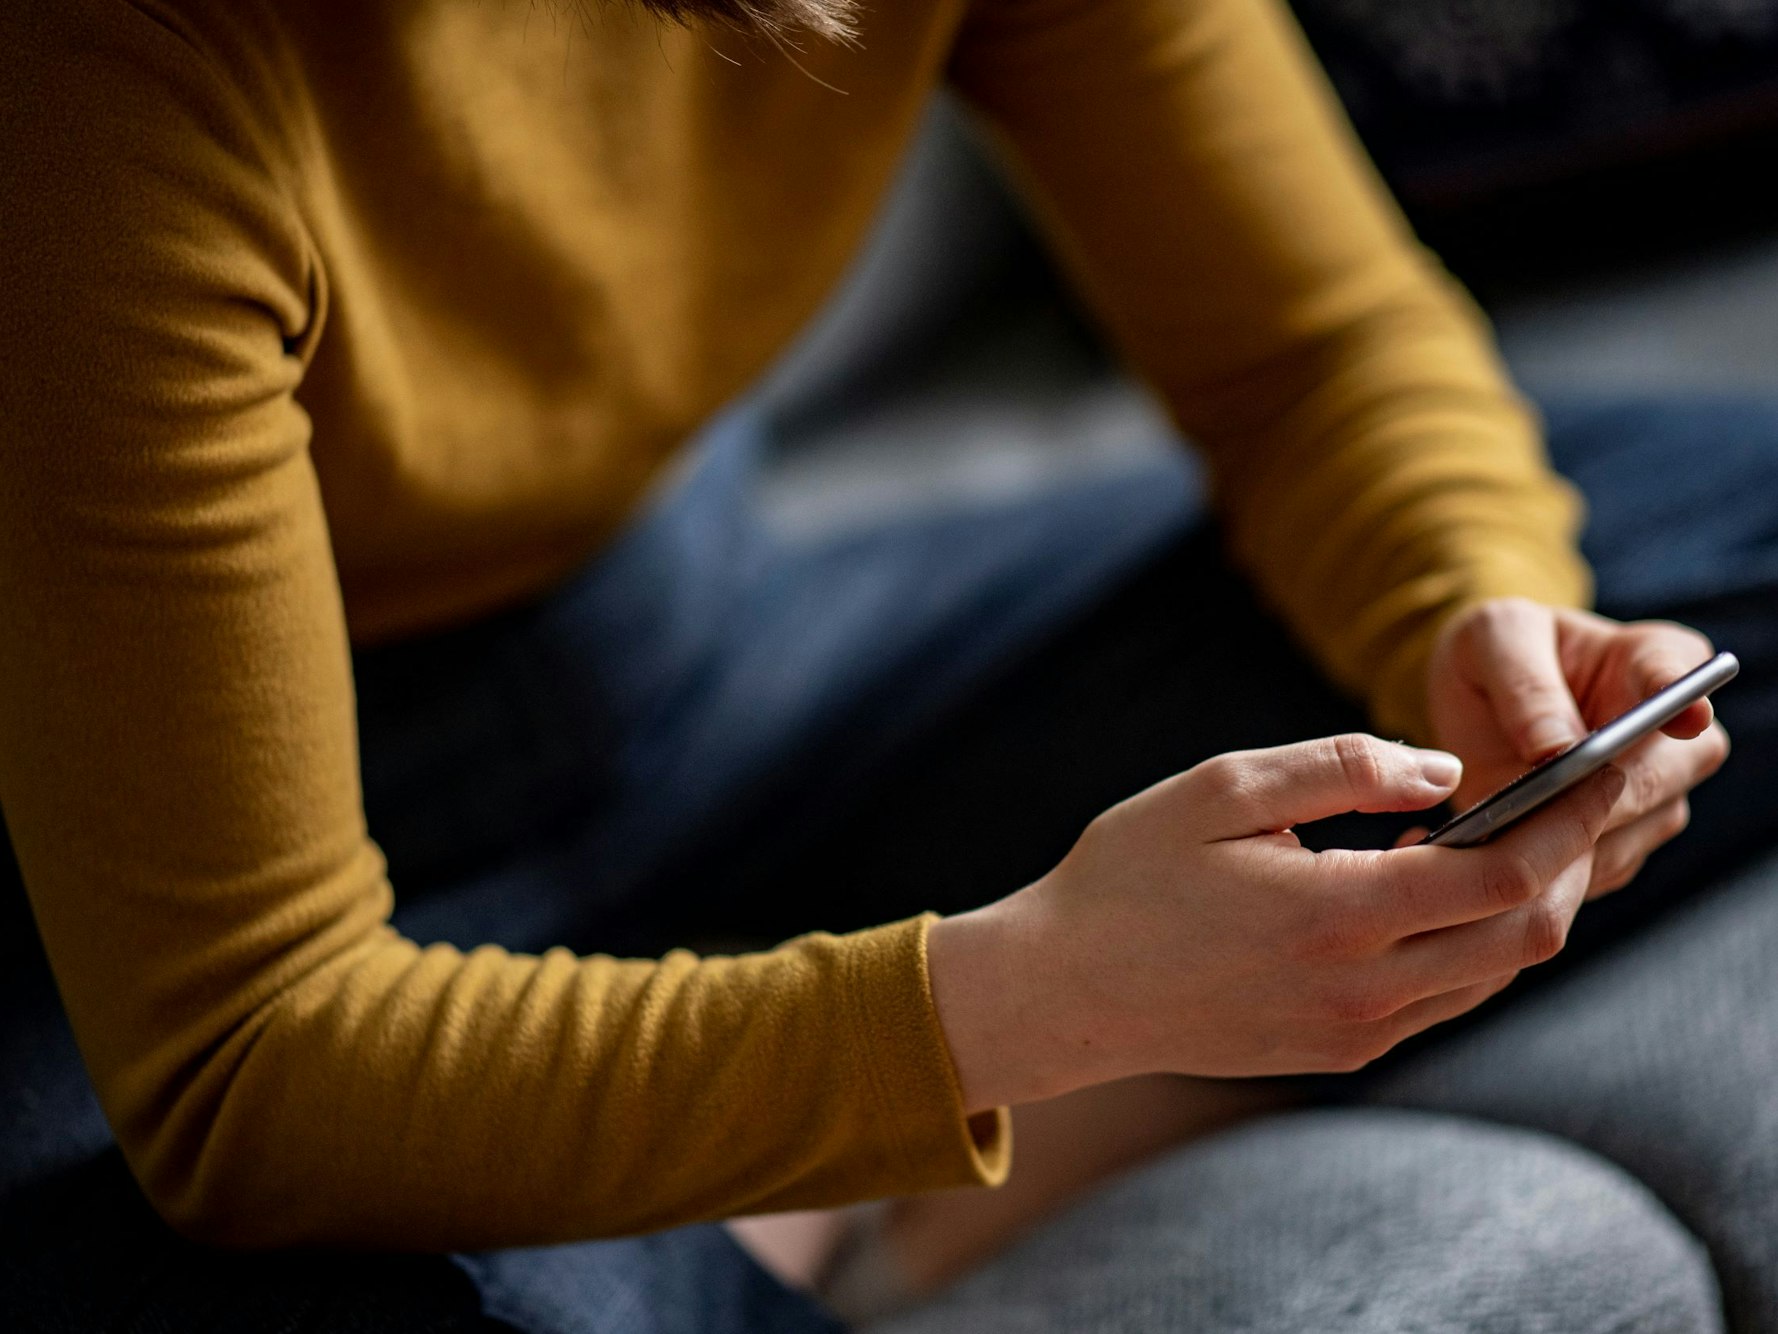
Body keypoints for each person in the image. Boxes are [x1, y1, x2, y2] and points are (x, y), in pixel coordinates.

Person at [0, 0, 1772, 1330]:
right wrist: (1022, 1004)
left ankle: (781, 1132)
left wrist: (1474, 621)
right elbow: (246, 1055)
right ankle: (819, 1155)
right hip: (166, 859)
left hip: (703, 648)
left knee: (1739, 539)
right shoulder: (108, 74)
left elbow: (1307, 358)